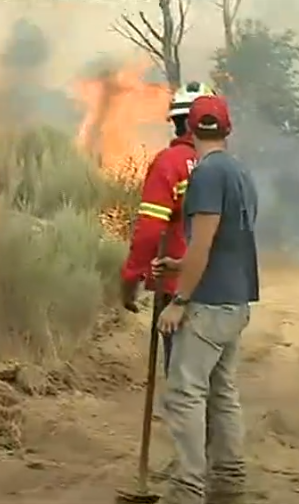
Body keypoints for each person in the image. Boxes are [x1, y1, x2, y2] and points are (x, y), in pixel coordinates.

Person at [151, 94, 259, 504]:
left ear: (190, 130)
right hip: (235, 300)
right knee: (222, 391)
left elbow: (205, 241)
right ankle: (228, 483)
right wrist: (177, 263)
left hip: (208, 305)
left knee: (185, 393)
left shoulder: (206, 175)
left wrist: (179, 299)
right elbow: (227, 244)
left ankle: (187, 490)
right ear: (228, 129)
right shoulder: (241, 173)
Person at [119, 81, 217, 385]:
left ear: (177, 122)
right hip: (223, 287)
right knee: (217, 380)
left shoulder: (169, 163)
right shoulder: (226, 166)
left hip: (177, 284)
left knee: (183, 380)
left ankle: (186, 427)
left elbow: (150, 228)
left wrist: (131, 276)